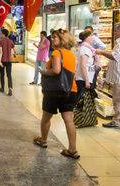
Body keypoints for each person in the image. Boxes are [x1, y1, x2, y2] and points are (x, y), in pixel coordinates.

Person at [34, 29, 80, 159]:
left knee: (46, 118)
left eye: (55, 38)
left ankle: (43, 140)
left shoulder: (56, 52)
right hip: (71, 90)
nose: (52, 39)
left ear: (62, 40)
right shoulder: (71, 54)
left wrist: (43, 72)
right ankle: (72, 149)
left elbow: (56, 70)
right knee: (69, 120)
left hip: (55, 91)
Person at [75, 30, 98, 96]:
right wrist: (87, 81)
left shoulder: (88, 48)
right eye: (91, 36)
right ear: (87, 37)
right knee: (83, 102)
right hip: (83, 80)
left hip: (85, 79)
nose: (92, 38)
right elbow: (83, 65)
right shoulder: (85, 49)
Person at [0, 28, 17, 96]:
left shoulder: (0, 42)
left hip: (3, 60)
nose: (0, 34)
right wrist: (15, 55)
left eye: (1, 33)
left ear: (3, 34)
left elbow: (0, 52)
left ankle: (2, 88)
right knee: (9, 75)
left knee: (2, 75)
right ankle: (10, 89)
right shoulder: (11, 41)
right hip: (9, 60)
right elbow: (15, 50)